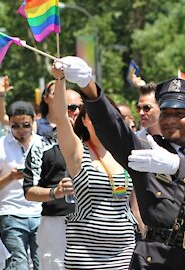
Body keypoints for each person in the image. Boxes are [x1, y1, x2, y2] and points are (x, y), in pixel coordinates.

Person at [59, 56, 185, 269]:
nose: (170, 120)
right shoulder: (147, 151)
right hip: (155, 260)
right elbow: (113, 128)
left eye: (180, 114)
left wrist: (176, 165)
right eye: (165, 113)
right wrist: (88, 86)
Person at [51, 67, 137, 269]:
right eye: (92, 115)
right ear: (84, 120)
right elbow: (61, 118)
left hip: (125, 251)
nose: (99, 120)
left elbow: (134, 205)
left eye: (104, 115)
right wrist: (60, 79)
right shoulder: (78, 151)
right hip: (85, 254)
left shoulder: (125, 151)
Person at [23, 90, 81, 270]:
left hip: (94, 222)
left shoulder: (98, 143)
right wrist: (55, 193)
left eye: (80, 107)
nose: (76, 112)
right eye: (70, 108)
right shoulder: (42, 145)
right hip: (57, 224)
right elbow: (29, 191)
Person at [0, 101, 42, 270]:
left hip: (41, 213)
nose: (21, 130)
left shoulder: (43, 144)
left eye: (26, 125)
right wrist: (10, 177)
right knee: (18, 265)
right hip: (11, 214)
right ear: (8, 122)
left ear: (34, 120)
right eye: (15, 126)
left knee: (44, 264)